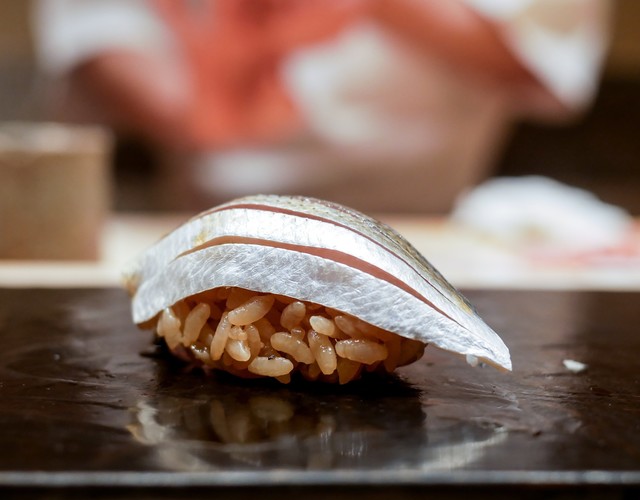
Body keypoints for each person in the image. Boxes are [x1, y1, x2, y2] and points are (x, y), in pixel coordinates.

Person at [32, 0, 612, 213]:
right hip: (210, 220)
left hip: (437, 228)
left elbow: (538, 58)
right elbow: (105, 39)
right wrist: (229, 79)